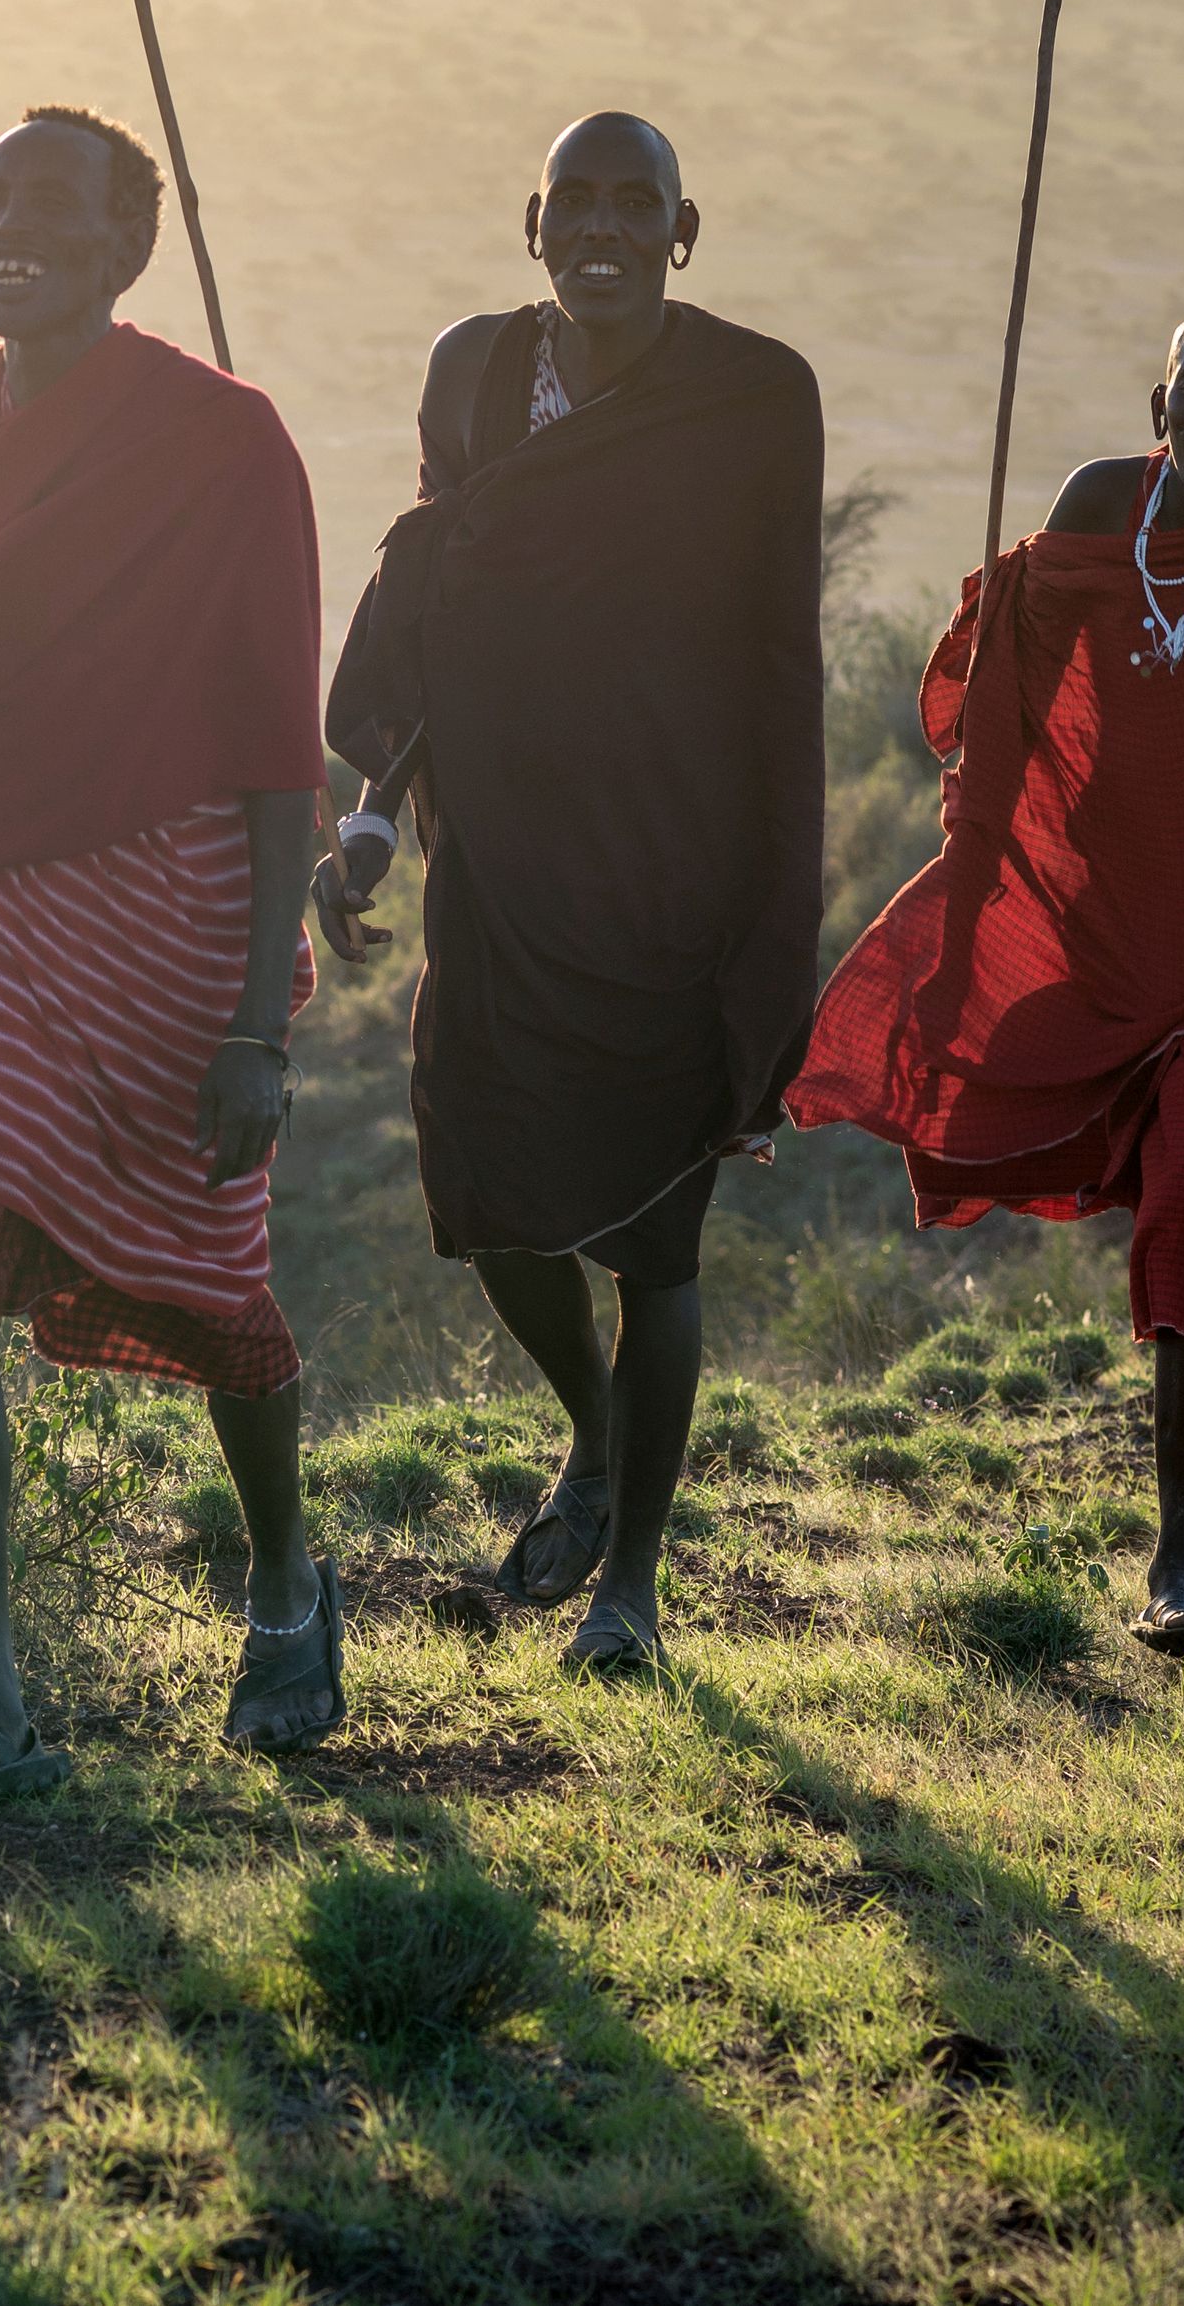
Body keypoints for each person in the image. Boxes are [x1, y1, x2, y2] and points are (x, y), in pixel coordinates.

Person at [788, 306, 1184, 1664]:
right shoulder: (1101, 501)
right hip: (1116, 915)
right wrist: (994, 730)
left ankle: (1177, 1558)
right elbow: (1019, 686)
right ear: (1159, 404)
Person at [0, 109, 336, 1798]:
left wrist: (258, 1017)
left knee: (203, 1283)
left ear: (130, 247)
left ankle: (283, 1582)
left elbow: (279, 738)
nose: (6, 227)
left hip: (168, 909)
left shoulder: (223, 440)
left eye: (52, 206)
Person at [313, 112, 824, 1680]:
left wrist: (771, 921)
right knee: (481, 1182)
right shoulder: (473, 372)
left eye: (638, 203)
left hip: (674, 861)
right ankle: (590, 1436)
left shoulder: (754, 396)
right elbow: (442, 608)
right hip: (504, 854)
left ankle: (635, 1587)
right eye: (575, 202)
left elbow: (773, 656)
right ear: (532, 221)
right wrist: (376, 817)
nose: (603, 227)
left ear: (685, 229)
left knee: (658, 1237)